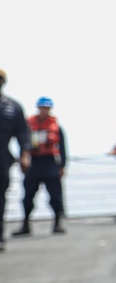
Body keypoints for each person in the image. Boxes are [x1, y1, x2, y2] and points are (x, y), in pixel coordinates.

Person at [13, 96, 67, 236]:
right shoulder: (28, 125)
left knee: (56, 196)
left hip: (50, 163)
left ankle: (57, 223)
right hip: (34, 163)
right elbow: (23, 144)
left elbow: (62, 148)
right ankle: (25, 224)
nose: (44, 110)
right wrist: (22, 160)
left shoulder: (56, 127)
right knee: (28, 196)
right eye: (42, 107)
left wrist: (62, 166)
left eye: (47, 108)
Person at [0, 67, 30, 251]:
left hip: (2, 158)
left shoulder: (12, 106)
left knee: (0, 198)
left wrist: (25, 155)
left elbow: (22, 133)